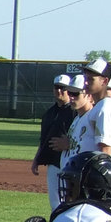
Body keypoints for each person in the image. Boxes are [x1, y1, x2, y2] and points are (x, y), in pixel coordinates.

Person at [34, 74, 75, 210]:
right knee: (55, 202)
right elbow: (43, 139)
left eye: (63, 88)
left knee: (71, 200)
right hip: (53, 162)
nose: (59, 91)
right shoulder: (49, 113)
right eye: (56, 87)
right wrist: (37, 159)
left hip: (71, 162)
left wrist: (69, 144)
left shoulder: (75, 112)